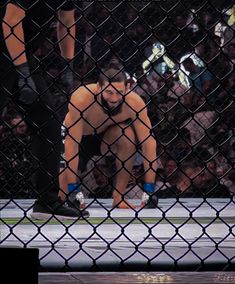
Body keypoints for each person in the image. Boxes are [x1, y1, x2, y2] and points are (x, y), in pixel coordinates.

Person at [0, 1, 89, 220]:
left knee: (48, 124)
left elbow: (67, 21)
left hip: (23, 56)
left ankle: (47, 202)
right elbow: (10, 21)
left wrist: (68, 66)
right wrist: (23, 73)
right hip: (7, 53)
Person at [60, 62, 158, 209]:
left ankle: (118, 197)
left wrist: (149, 189)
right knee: (61, 198)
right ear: (99, 88)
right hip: (74, 138)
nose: (114, 98)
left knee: (128, 135)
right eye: (109, 92)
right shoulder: (81, 98)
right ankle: (70, 193)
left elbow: (148, 142)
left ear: (127, 88)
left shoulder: (134, 103)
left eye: (119, 92)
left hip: (103, 137)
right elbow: (71, 144)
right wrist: (73, 189)